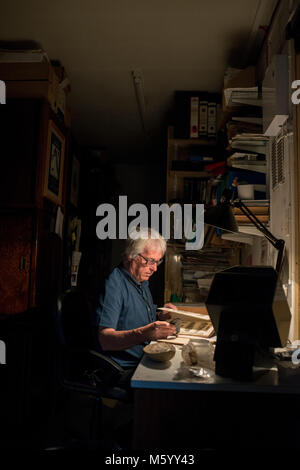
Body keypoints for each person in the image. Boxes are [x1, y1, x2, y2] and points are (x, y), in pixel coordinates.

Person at [95, 227, 177, 373]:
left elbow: (132, 317)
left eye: (157, 262)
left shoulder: (141, 280)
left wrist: (160, 315)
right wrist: (145, 334)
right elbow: (105, 339)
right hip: (124, 368)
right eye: (150, 261)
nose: (154, 269)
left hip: (145, 357)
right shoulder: (114, 285)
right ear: (130, 255)